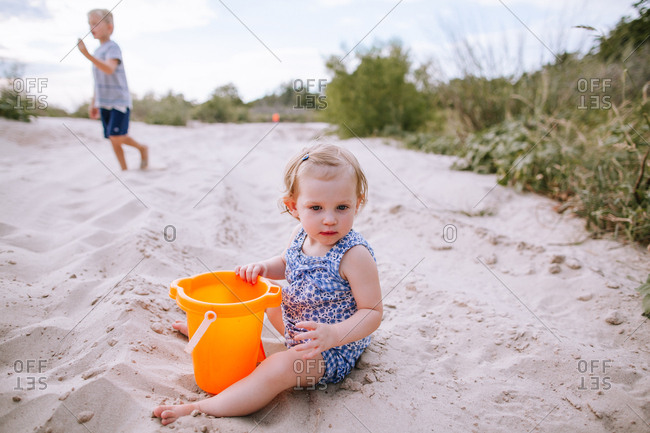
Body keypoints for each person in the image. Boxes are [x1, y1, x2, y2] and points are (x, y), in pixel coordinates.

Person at [153, 143, 383, 425]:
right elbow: (287, 264)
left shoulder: (354, 255)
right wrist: (263, 268)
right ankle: (221, 337)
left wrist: (333, 335)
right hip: (297, 325)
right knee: (256, 295)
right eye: (316, 207)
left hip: (330, 349)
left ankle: (206, 405)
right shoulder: (301, 235)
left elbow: (372, 312)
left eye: (342, 207)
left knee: (280, 366)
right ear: (293, 207)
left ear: (357, 203)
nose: (329, 219)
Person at [77, 9, 148, 171]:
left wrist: (86, 54)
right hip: (104, 101)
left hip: (118, 100)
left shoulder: (113, 48)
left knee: (116, 136)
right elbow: (98, 80)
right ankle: (124, 171)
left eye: (95, 23)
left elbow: (109, 69)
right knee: (113, 138)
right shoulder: (97, 51)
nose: (91, 27)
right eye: (89, 24)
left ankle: (142, 149)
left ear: (109, 28)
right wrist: (94, 102)